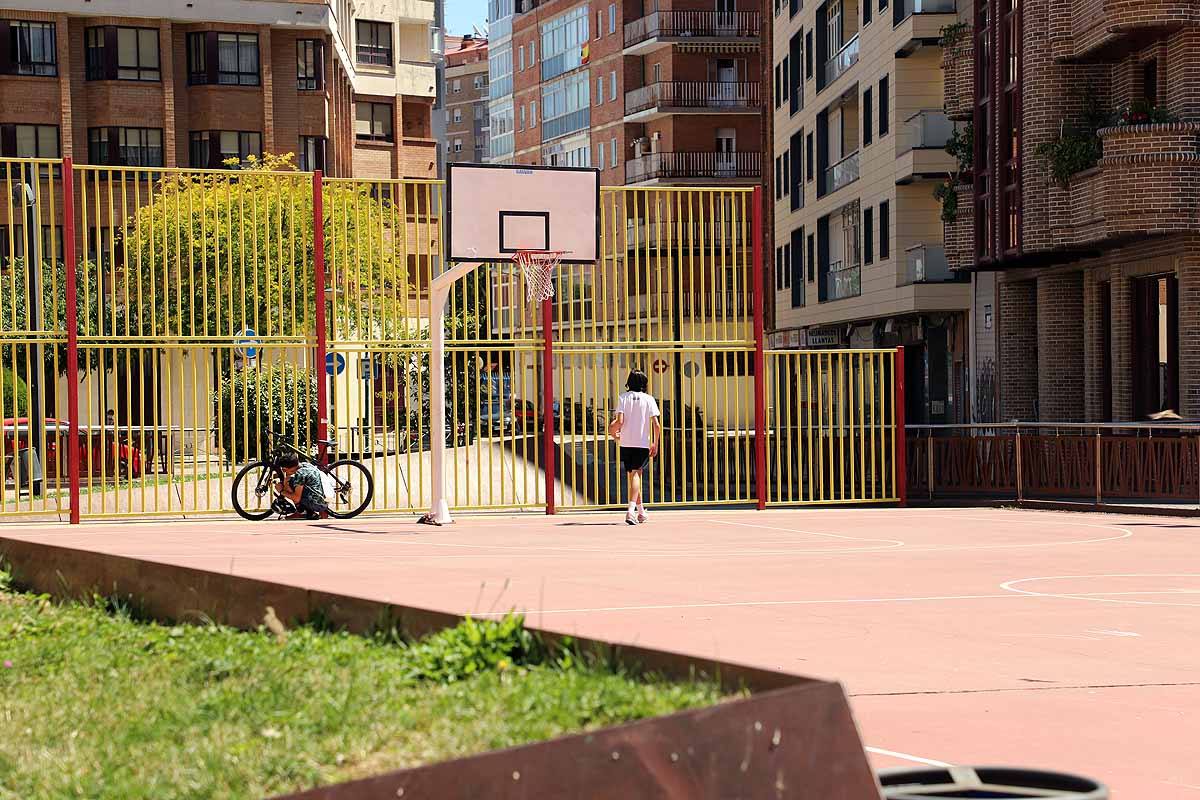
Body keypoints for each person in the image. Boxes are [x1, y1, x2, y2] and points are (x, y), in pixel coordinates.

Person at [608, 369, 660, 525]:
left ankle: (641, 511)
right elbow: (656, 425)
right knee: (636, 475)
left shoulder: (623, 398)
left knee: (633, 476)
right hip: (642, 442)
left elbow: (619, 422)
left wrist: (613, 432)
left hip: (626, 442)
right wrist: (655, 443)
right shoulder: (649, 399)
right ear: (644, 383)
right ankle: (631, 511)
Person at [272, 452, 328, 520]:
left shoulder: (300, 474)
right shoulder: (306, 465)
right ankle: (308, 513)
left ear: (292, 468)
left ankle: (301, 512)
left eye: (284, 470)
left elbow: (296, 498)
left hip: (315, 504)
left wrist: (281, 490)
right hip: (321, 501)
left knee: (291, 483)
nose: (285, 472)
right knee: (291, 481)